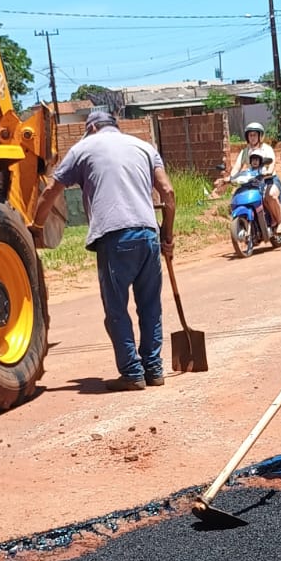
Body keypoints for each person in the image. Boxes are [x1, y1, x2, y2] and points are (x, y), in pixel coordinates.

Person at [35, 109, 176, 391]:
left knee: (116, 310)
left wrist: (36, 226)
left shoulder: (83, 147)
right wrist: (167, 236)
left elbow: (51, 190)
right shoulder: (144, 147)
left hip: (114, 237)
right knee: (150, 306)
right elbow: (168, 193)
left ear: (93, 129)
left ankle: (132, 374)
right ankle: (154, 369)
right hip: (148, 234)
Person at [224, 121, 281, 238]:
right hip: (253, 181)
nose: (252, 138)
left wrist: (268, 172)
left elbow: (272, 163)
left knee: (270, 195)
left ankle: (280, 222)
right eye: (250, 135)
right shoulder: (245, 152)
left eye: (254, 135)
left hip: (269, 180)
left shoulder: (266, 149)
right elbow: (237, 167)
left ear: (260, 136)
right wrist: (230, 177)